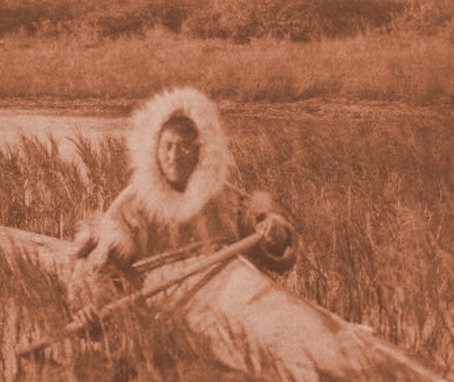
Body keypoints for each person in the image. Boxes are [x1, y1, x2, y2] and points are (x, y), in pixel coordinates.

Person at [66, 87, 296, 308]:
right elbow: (98, 271)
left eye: (185, 146)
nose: (174, 156)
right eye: (168, 146)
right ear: (154, 149)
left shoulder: (224, 198)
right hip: (170, 312)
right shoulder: (131, 207)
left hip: (229, 302)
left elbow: (272, 242)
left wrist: (276, 231)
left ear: (202, 151)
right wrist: (94, 304)